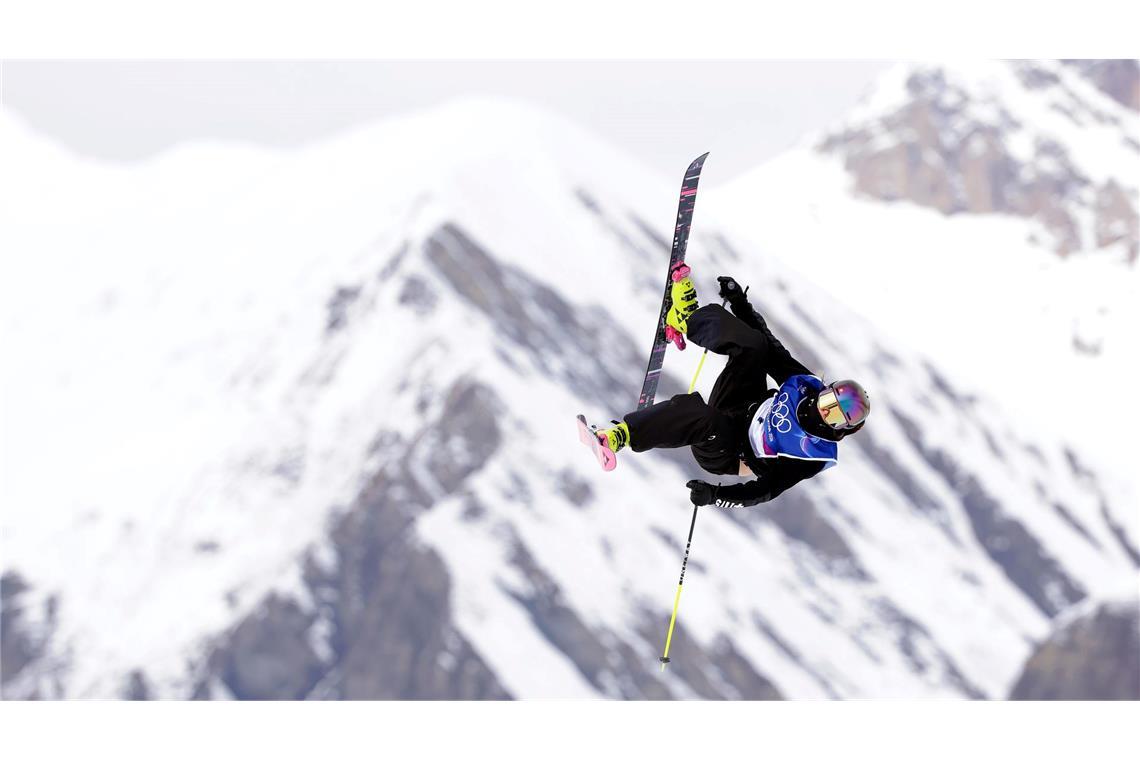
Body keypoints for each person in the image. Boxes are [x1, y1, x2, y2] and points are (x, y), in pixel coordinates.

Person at [596, 265, 870, 508]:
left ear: (840, 430)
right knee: (755, 347)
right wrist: (740, 304)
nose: (824, 412)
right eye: (827, 403)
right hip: (740, 403)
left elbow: (764, 491)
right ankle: (684, 319)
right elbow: (772, 348)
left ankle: (621, 436)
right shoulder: (805, 385)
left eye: (833, 415)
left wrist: (715, 495)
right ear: (825, 390)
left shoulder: (811, 454)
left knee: (702, 415)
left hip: (728, 450)